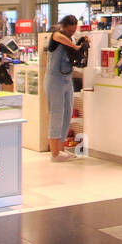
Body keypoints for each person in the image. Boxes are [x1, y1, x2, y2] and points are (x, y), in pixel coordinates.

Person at [45, 15, 87, 162]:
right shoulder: (57, 35)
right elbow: (58, 37)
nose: (71, 34)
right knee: (56, 114)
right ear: (64, 27)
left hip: (67, 79)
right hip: (54, 80)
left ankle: (61, 149)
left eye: (74, 31)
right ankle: (54, 153)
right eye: (70, 31)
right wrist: (75, 46)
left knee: (67, 113)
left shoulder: (71, 39)